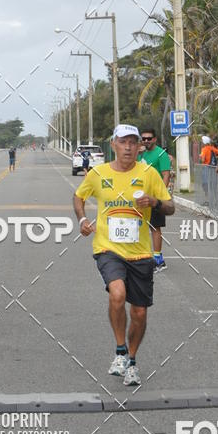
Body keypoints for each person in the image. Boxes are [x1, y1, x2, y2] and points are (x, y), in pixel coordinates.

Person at [73, 124, 174, 387]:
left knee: (139, 312)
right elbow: (78, 196)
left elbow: (171, 207)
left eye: (133, 142)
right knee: (117, 293)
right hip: (108, 248)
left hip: (140, 253)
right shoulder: (99, 173)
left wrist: (154, 202)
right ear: (114, 144)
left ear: (140, 146)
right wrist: (83, 219)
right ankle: (119, 351)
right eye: (123, 142)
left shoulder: (149, 174)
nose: (128, 147)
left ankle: (131, 359)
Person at [137, 128, 172, 272]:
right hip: (141, 196)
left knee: (155, 227)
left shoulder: (161, 154)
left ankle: (158, 259)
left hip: (154, 197)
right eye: (143, 138)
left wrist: (160, 195)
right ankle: (143, 256)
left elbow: (166, 175)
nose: (146, 141)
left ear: (155, 139)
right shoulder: (141, 154)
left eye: (149, 138)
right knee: (140, 226)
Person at [199, 135, 218, 209]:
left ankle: (208, 200)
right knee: (214, 185)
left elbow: (203, 160)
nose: (201, 142)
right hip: (213, 169)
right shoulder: (212, 148)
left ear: (204, 142)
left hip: (206, 168)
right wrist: (217, 157)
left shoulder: (204, 149)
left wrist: (201, 157)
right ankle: (217, 200)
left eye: (202, 141)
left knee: (206, 185)